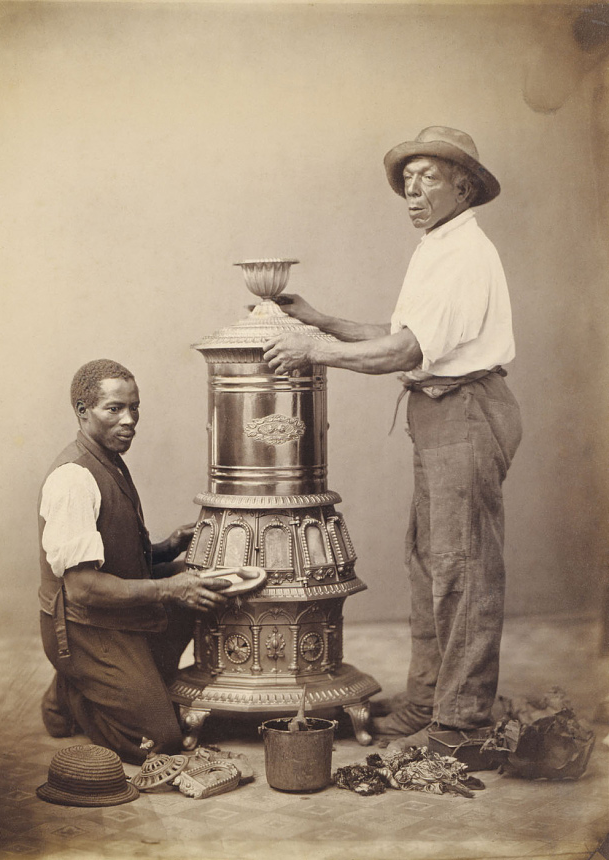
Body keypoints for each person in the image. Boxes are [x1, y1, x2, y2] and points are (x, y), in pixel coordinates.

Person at [263, 127, 522, 742]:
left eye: (427, 178)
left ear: (465, 186)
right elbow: (399, 331)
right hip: (438, 410)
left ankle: (460, 724)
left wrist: (316, 349)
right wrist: (322, 321)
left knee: (463, 568)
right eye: (406, 182)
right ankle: (428, 702)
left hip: (466, 409)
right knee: (430, 561)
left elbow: (405, 350)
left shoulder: (466, 254)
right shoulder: (436, 246)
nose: (412, 191)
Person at [38, 358, 234, 764]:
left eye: (134, 408)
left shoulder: (108, 460)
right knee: (159, 738)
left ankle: (122, 685)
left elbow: (112, 557)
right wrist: (170, 589)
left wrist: (169, 547)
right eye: (114, 409)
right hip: (82, 628)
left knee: (193, 580)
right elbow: (82, 587)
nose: (129, 420)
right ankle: (73, 692)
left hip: (112, 614)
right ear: (82, 411)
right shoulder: (73, 479)